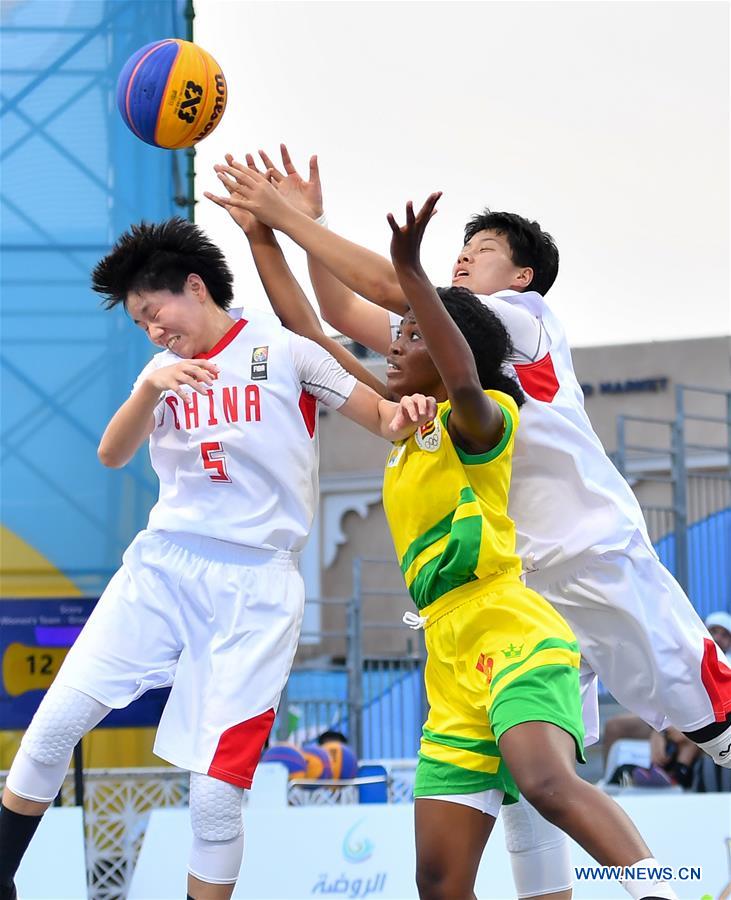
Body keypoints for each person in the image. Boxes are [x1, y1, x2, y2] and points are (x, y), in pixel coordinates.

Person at [207, 147, 731, 900]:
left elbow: (397, 293)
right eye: (458, 250)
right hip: (514, 588)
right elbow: (333, 323)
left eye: (481, 251)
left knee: (711, 724)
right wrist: (290, 230)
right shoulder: (413, 406)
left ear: (521, 277)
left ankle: (662, 888)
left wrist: (287, 218)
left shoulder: (521, 320)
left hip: (590, 556)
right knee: (532, 789)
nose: (462, 258)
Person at [0, 218, 436, 900]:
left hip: (256, 588)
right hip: (163, 567)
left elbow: (383, 419)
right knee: (53, 727)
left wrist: (408, 412)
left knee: (213, 797)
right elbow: (111, 454)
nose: (153, 332)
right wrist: (151, 388)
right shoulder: (158, 373)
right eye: (140, 324)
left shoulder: (285, 352)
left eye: (155, 313)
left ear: (195, 287)